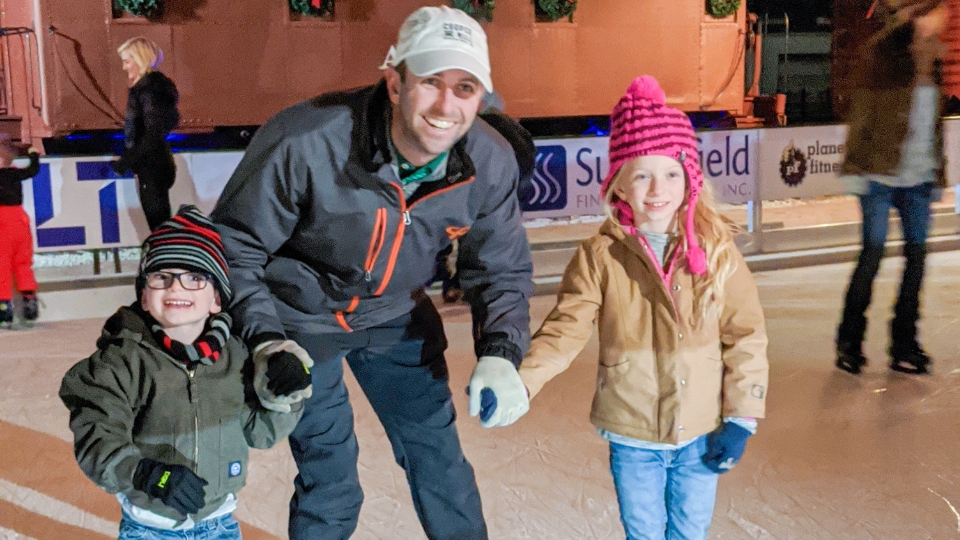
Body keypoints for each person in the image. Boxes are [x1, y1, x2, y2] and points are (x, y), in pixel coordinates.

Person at [210, 6, 533, 540]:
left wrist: (501, 350)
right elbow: (236, 247)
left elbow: (500, 267)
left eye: (465, 88)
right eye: (431, 81)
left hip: (397, 318)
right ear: (395, 82)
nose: (446, 105)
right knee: (331, 478)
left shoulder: (488, 161)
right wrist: (266, 341)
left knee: (441, 468)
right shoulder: (307, 140)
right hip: (300, 321)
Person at [473, 76, 770, 539]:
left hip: (701, 427)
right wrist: (522, 383)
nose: (658, 189)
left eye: (672, 173)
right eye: (642, 174)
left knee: (690, 532)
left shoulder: (715, 251)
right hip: (632, 433)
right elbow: (565, 331)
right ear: (620, 185)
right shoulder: (601, 255)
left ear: (690, 178)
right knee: (643, 533)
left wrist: (741, 417)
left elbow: (745, 334)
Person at [59, 206, 310, 539]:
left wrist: (283, 394)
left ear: (216, 299)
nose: (176, 288)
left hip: (220, 524)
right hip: (150, 526)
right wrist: (149, 474)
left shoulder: (235, 357)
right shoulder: (121, 362)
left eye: (195, 278)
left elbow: (259, 433)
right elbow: (97, 436)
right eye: (162, 277)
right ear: (144, 297)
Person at [835, 0, 947, 375]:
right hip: (878, 176)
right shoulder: (883, 54)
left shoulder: (934, 59)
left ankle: (904, 343)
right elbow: (861, 113)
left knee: (916, 261)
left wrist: (937, 174)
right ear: (920, 16)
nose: (945, 18)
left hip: (918, 179)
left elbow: (935, 124)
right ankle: (849, 342)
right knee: (873, 254)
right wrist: (854, 169)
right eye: (938, 11)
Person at [111, 36, 180, 232]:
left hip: (152, 164)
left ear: (139, 60)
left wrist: (127, 160)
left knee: (159, 225)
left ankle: (165, 258)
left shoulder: (149, 89)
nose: (124, 67)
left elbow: (153, 132)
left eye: (127, 61)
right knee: (158, 222)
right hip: (152, 162)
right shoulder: (149, 88)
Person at [0, 141, 41, 328]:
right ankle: (29, 296)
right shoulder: (16, 174)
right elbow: (33, 170)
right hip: (20, 219)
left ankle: (4, 305)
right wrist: (33, 153)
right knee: (23, 261)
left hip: (2, 221)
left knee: (2, 263)